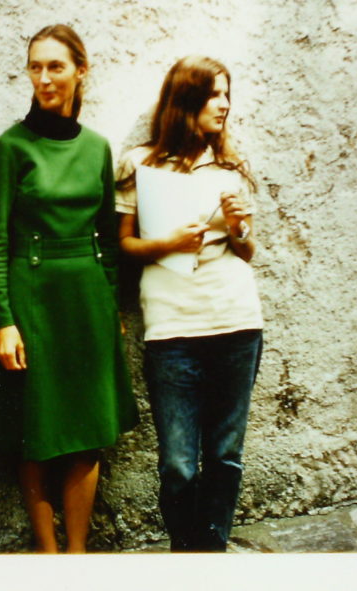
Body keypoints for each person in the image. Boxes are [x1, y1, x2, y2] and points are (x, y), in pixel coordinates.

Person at [0, 24, 138, 553]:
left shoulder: (98, 148)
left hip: (88, 302)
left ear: (80, 70)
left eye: (56, 66)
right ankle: (47, 556)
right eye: (35, 66)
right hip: (32, 301)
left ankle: (77, 557)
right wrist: (3, 319)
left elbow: (106, 237)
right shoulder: (8, 148)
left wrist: (113, 303)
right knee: (37, 429)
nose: (44, 78)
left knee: (87, 431)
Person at [115, 56, 263, 552]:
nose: (224, 104)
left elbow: (246, 250)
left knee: (225, 455)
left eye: (227, 94)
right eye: (214, 94)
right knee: (178, 462)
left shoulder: (230, 167)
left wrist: (240, 227)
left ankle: (212, 555)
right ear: (186, 100)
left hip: (236, 321)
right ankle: (185, 555)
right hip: (172, 331)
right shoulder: (141, 164)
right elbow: (124, 246)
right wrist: (169, 243)